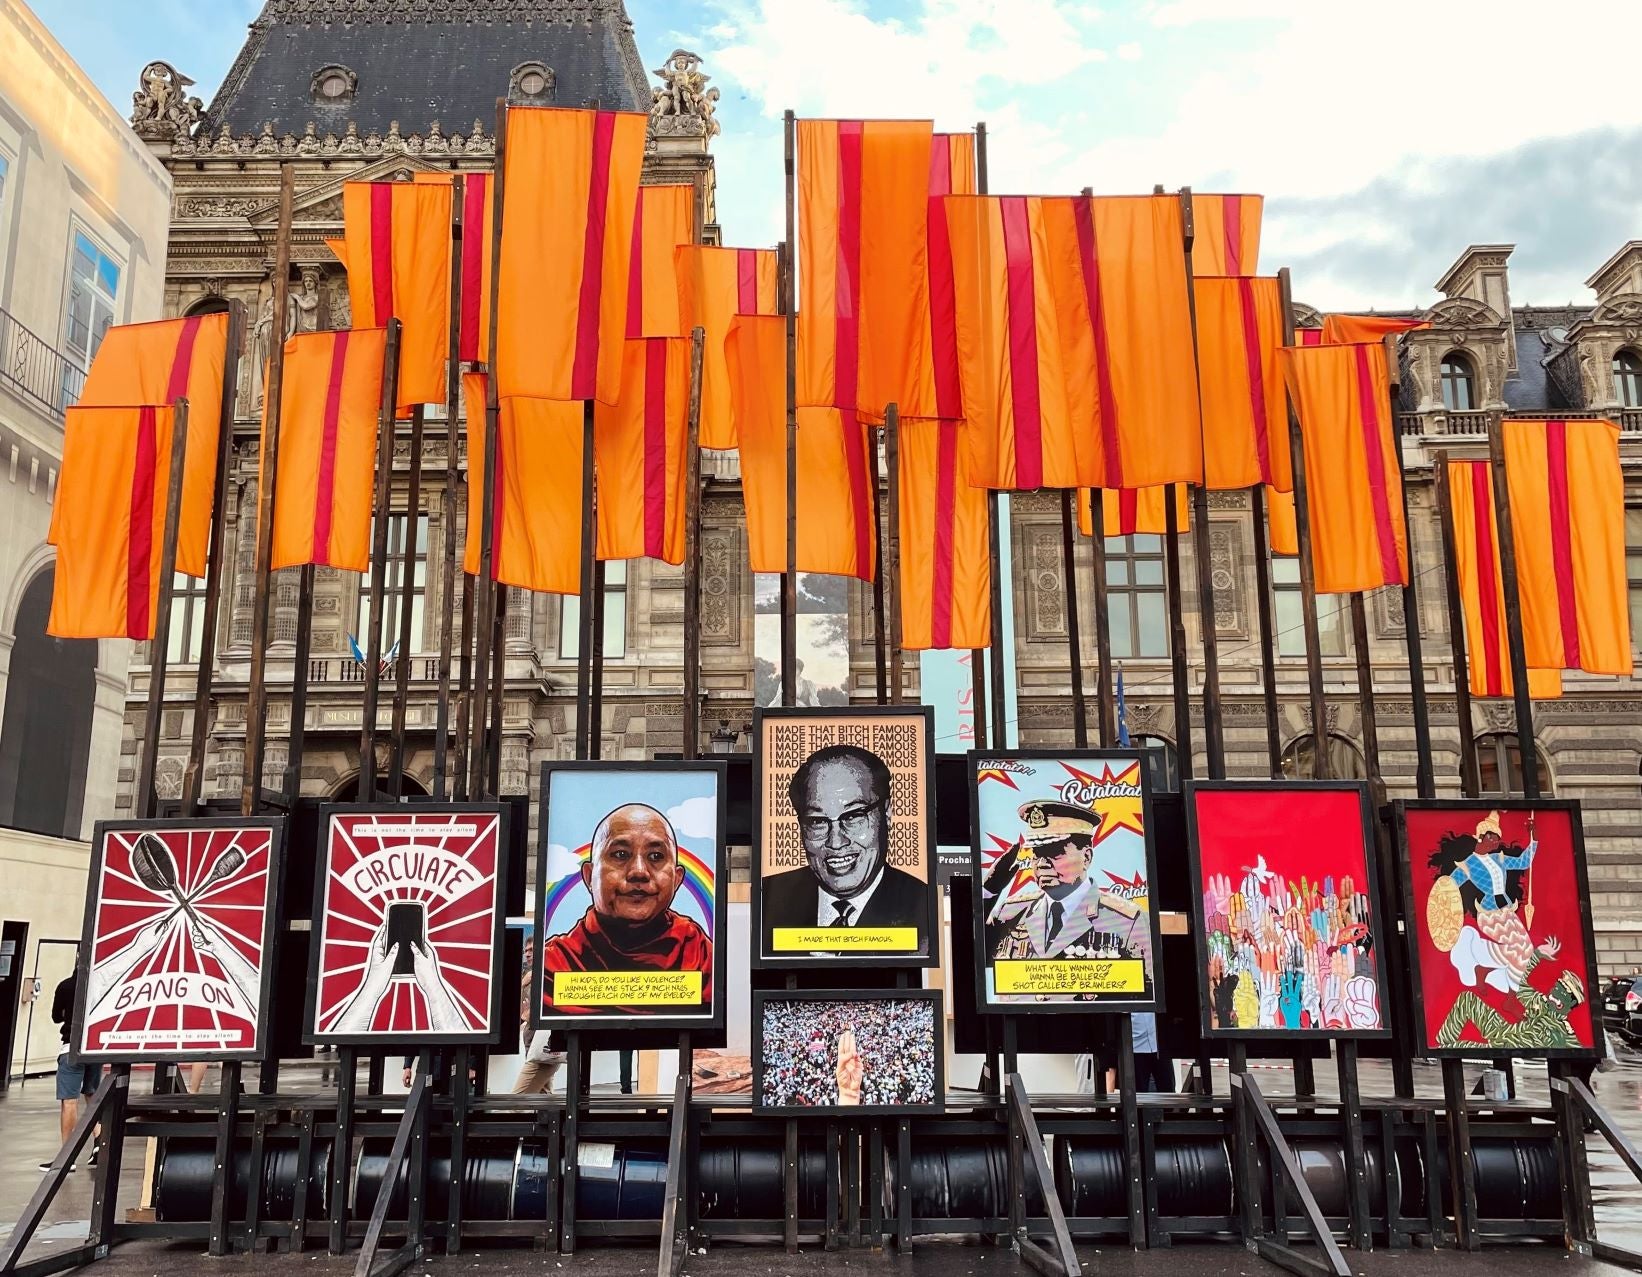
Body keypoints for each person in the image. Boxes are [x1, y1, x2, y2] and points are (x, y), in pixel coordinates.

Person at [540, 804, 712, 1014]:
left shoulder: (700, 955)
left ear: (677, 879)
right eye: (620, 854)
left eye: (656, 856)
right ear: (588, 877)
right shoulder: (555, 964)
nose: (639, 871)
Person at [761, 745, 928, 951]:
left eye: (853, 817)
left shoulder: (923, 907)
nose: (836, 842)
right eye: (817, 821)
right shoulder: (768, 901)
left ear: (887, 814)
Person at [982, 801, 1151, 998]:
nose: (1043, 864)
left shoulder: (1125, 920)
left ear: (1086, 857)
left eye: (1055, 853)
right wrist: (988, 892)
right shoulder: (1011, 911)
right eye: (1037, 854)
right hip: (1019, 1027)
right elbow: (969, 959)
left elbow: (1144, 1001)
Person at [41, 970, 101, 1172]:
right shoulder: (100, 985)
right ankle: (100, 1142)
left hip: (71, 1048)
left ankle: (67, 1157)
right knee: (92, 1095)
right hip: (94, 1049)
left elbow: (56, 1017)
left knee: (69, 1101)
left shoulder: (66, 985)